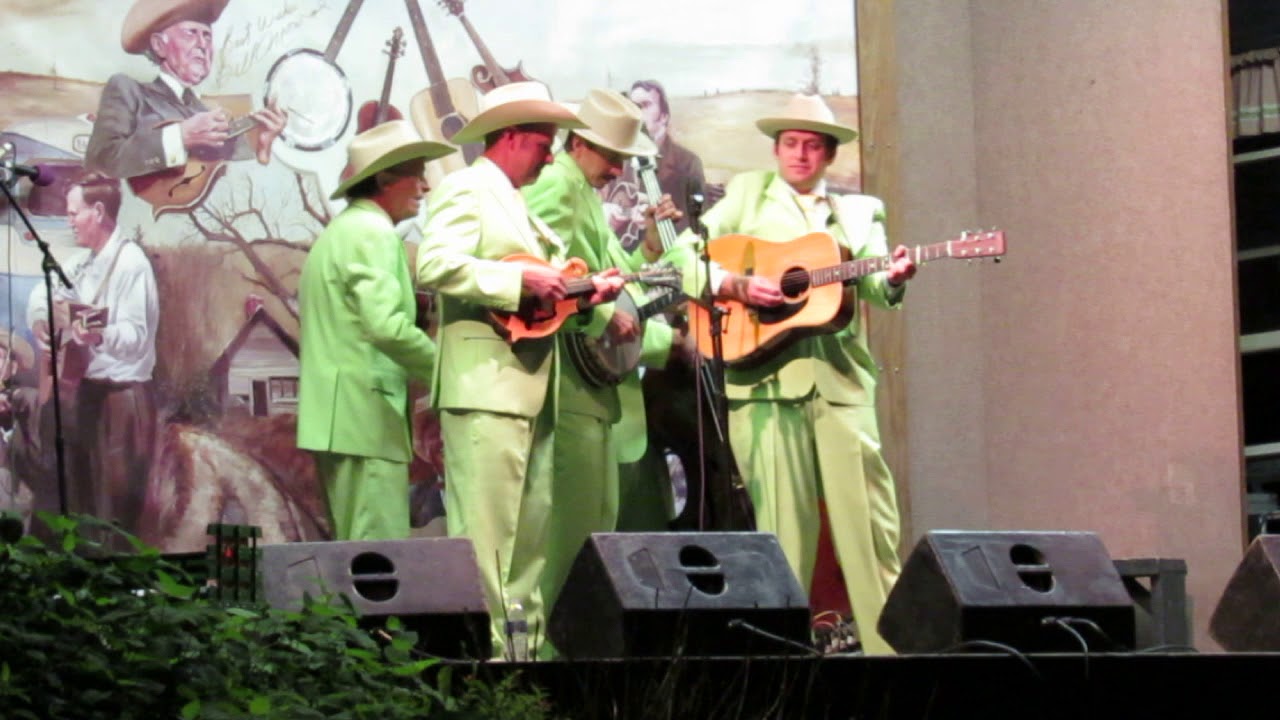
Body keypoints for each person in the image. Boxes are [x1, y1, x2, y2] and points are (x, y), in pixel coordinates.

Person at [651, 94, 917, 654]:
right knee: (782, 537)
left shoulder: (859, 211)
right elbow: (682, 258)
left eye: (812, 145)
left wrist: (893, 276)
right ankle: (789, 673)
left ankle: (891, 663)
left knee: (870, 531)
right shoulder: (748, 194)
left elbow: (874, 288)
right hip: (765, 384)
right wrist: (734, 285)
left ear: (827, 154)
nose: (800, 154)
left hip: (840, 385)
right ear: (776, 149)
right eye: (791, 143)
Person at [415, 81, 624, 657]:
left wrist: (585, 292)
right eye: (542, 144)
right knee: (489, 545)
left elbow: (541, 297)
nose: (551, 156)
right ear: (509, 138)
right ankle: (487, 669)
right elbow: (434, 262)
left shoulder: (515, 201)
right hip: (486, 388)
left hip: (529, 389)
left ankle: (522, 665)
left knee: (529, 544)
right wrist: (517, 280)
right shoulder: (467, 188)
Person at [522, 89, 680, 617]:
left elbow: (608, 273)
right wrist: (602, 314)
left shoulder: (580, 190)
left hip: (594, 391)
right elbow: (542, 275)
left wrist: (651, 250)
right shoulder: (557, 186)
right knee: (571, 541)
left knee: (592, 536)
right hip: (568, 385)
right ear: (581, 143)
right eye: (612, 155)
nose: (617, 169)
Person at [296, 120, 455, 541]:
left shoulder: (341, 232)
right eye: (416, 174)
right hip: (366, 419)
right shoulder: (373, 233)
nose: (424, 187)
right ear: (385, 178)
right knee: (377, 559)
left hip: (343, 419)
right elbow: (387, 327)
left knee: (356, 553)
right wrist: (450, 369)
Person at [28, 173, 161, 537]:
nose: (68, 221)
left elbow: (136, 337)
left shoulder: (132, 264)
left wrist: (99, 334)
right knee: (84, 502)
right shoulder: (84, 261)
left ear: (99, 212)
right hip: (89, 396)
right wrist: (42, 318)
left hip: (122, 403)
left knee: (113, 509)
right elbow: (43, 290)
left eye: (74, 213)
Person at [85, 0, 286, 180]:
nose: (202, 45)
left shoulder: (202, 112)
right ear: (158, 45)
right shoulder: (128, 90)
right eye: (191, 33)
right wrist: (180, 136)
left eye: (207, 36)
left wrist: (260, 144)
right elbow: (101, 161)